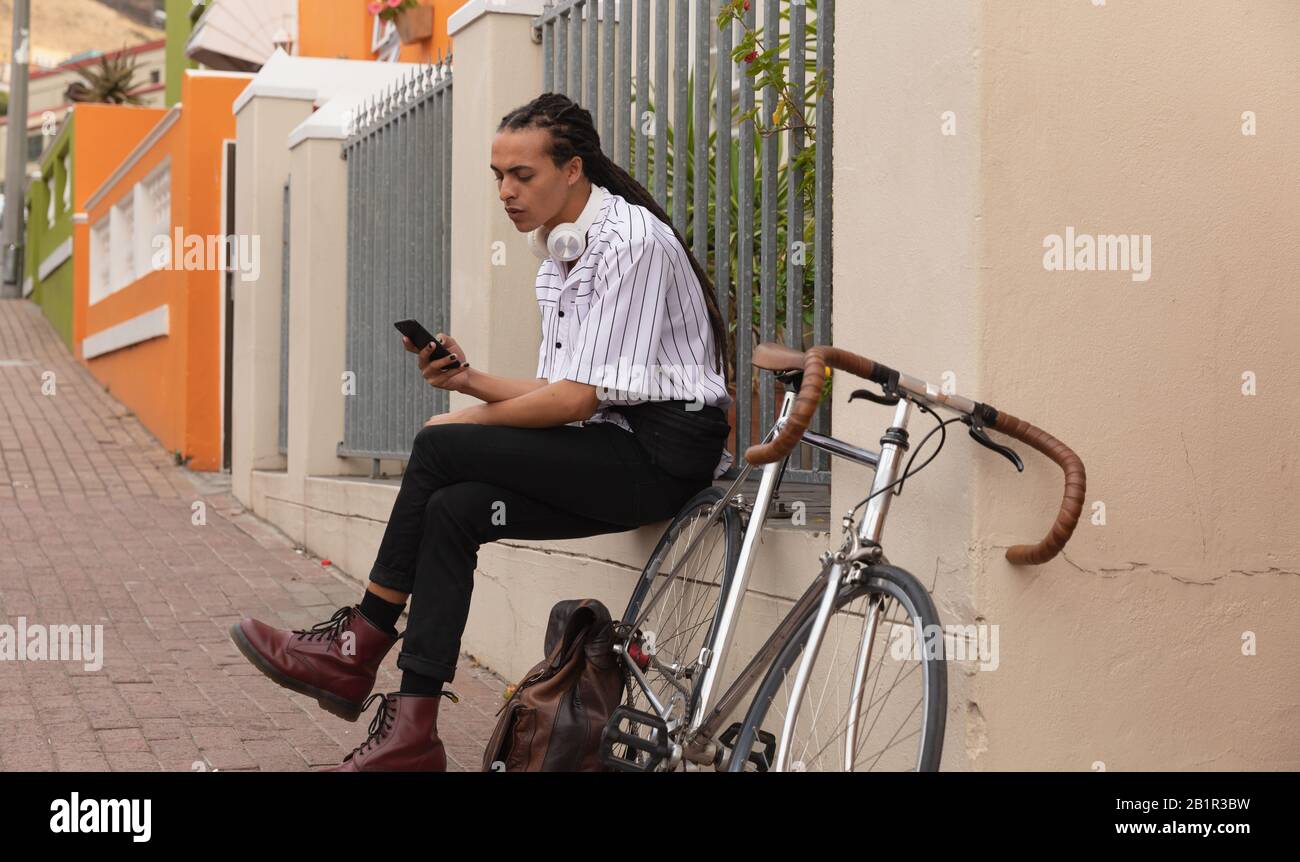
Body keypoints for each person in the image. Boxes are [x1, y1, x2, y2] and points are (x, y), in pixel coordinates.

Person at [229, 92, 735, 771]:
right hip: (614, 444)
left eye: (521, 175)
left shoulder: (631, 243)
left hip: (662, 458)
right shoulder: (559, 249)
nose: (506, 190)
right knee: (453, 509)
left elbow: (574, 401)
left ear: (573, 169)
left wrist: (457, 424)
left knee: (440, 445)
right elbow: (564, 390)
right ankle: (413, 730)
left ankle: (358, 644)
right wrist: (468, 382)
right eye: (497, 175)